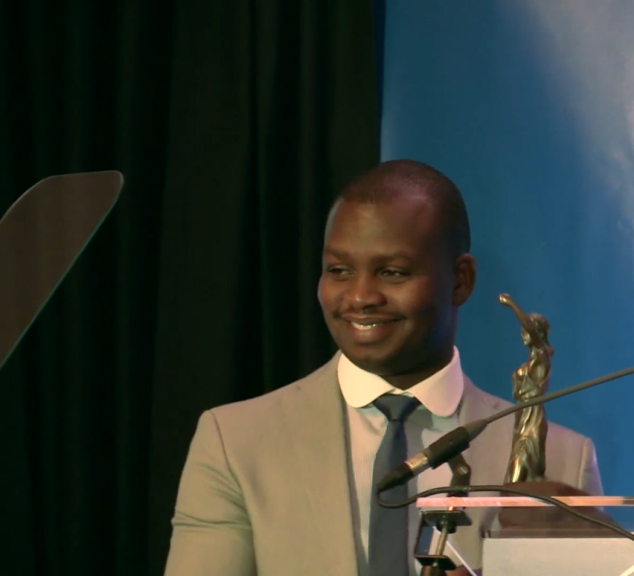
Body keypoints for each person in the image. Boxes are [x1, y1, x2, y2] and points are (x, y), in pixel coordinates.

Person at [163, 159, 602, 576]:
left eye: (392, 272)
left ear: (460, 280)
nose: (359, 296)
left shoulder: (563, 459)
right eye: (338, 270)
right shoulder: (235, 441)